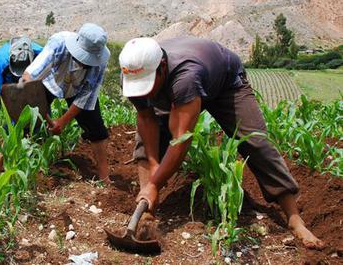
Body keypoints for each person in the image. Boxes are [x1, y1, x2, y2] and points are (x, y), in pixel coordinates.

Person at [118, 36, 324, 249]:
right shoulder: (132, 72)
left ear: (161, 67)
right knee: (145, 143)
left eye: (148, 84)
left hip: (226, 82)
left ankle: (294, 218)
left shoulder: (185, 77)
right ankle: (146, 213)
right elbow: (145, 118)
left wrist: (155, 183)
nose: (145, 91)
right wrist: (153, 168)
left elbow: (180, 140)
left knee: (255, 141)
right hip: (179, 84)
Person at [19, 23, 111, 183]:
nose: (85, 63)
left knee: (97, 129)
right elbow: (30, 75)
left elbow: (86, 97)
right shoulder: (59, 43)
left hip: (78, 88)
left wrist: (62, 121)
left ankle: (105, 178)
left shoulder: (99, 62)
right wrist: (36, 103)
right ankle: (32, 170)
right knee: (29, 124)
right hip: (49, 82)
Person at [0, 36, 42, 128]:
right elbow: (0, 89)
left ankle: (25, 130)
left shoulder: (42, 55)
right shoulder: (2, 60)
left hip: (32, 73)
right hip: (3, 70)